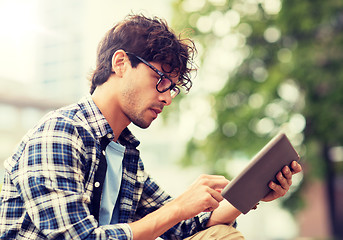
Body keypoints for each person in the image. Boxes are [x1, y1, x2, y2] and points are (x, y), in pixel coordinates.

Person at [0, 14, 302, 240]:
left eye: (172, 88)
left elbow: (183, 228)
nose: (167, 97)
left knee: (219, 236)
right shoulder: (60, 134)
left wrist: (251, 193)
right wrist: (178, 206)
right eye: (160, 79)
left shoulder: (125, 153)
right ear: (120, 63)